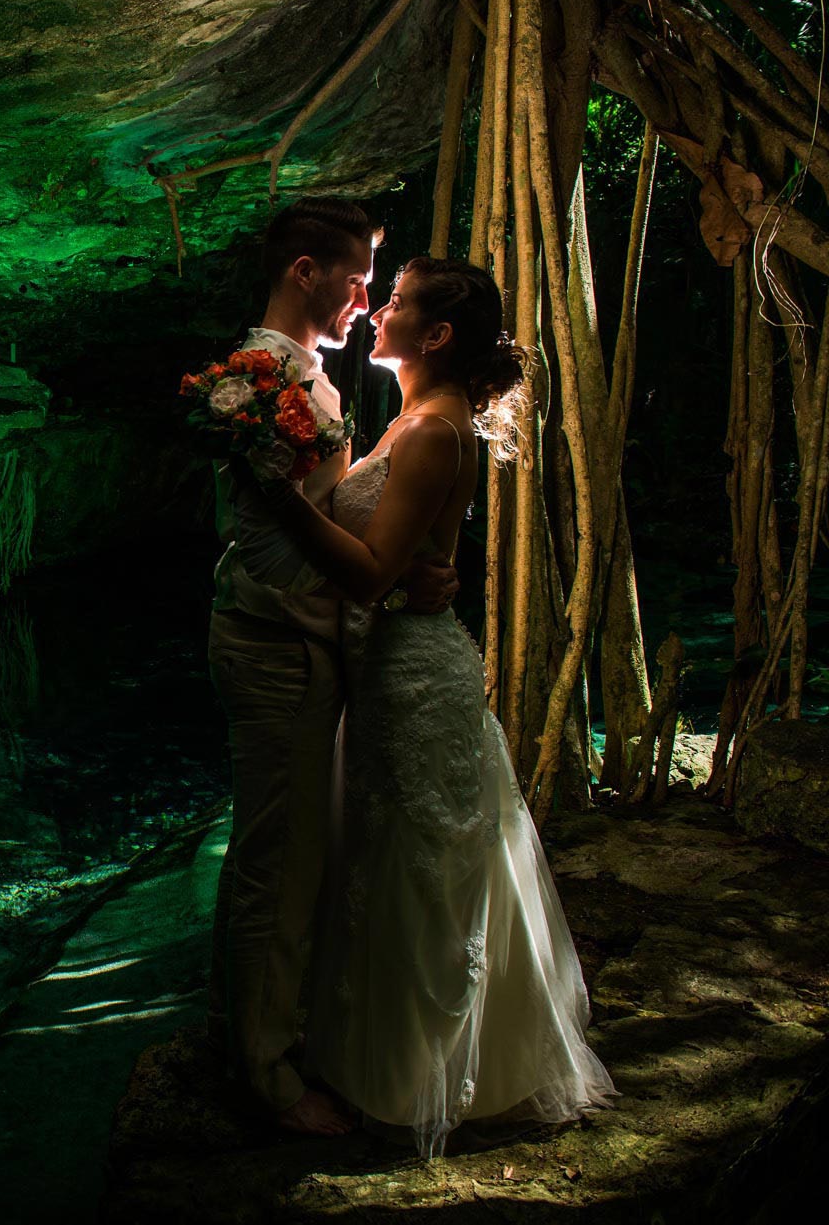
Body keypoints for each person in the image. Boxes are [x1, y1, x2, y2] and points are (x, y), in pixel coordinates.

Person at [247, 256, 617, 1156]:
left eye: (399, 304)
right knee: (393, 857)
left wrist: (278, 501)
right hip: (391, 670)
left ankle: (421, 1074)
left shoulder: (432, 432)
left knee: (421, 869)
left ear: (437, 335)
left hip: (414, 676)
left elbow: (372, 575)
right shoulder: (414, 418)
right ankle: (389, 1057)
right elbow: (396, 548)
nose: (377, 311)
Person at [204, 199, 458, 1138]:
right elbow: (275, 541)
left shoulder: (297, 374)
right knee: (281, 858)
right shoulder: (260, 378)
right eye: (355, 279)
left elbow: (318, 517)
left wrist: (402, 570)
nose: (365, 299)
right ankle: (265, 1075)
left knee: (280, 847)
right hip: (277, 645)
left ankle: (247, 1026)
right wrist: (382, 583)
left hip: (299, 639)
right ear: (304, 271)